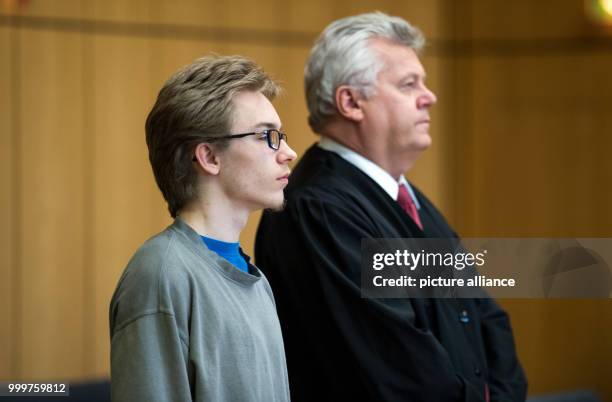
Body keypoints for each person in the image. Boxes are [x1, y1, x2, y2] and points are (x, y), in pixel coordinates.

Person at [255, 12, 527, 402]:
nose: (429, 96)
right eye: (408, 84)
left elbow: (483, 314)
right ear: (351, 102)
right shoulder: (320, 209)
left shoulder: (408, 199)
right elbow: (397, 366)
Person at [109, 55, 297, 402]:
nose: (288, 152)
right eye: (267, 136)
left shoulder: (256, 279)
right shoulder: (161, 276)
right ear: (209, 157)